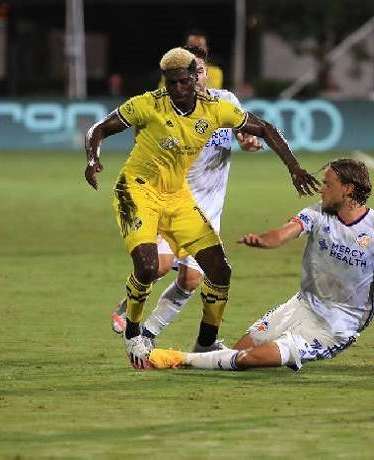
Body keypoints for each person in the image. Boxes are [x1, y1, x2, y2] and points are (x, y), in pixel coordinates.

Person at [84, 47, 319, 369]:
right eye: (171, 83)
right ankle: (134, 333)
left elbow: (264, 128)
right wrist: (93, 158)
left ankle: (206, 341)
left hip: (179, 197)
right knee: (152, 266)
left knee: (219, 272)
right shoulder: (147, 104)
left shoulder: (217, 108)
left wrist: (293, 167)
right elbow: (98, 129)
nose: (177, 89)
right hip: (137, 191)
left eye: (183, 82)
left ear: (196, 78)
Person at [148, 159, 374, 372]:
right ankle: (199, 359)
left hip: (339, 324)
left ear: (348, 190)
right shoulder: (319, 212)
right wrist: (264, 240)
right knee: (241, 350)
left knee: (251, 361)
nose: (322, 188)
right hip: (303, 305)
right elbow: (285, 232)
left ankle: (178, 360)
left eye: (328, 183)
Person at [110, 45, 263, 352]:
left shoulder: (224, 102)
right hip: (174, 198)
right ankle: (125, 312)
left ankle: (150, 333)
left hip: (210, 204)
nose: (200, 77)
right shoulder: (173, 102)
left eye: (204, 70)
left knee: (192, 281)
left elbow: (243, 132)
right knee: (161, 265)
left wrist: (247, 140)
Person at [158, 30, 223, 90]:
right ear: (184, 49)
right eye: (192, 46)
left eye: (200, 46)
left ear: (207, 50)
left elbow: (211, 96)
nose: (195, 51)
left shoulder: (215, 72)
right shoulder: (170, 71)